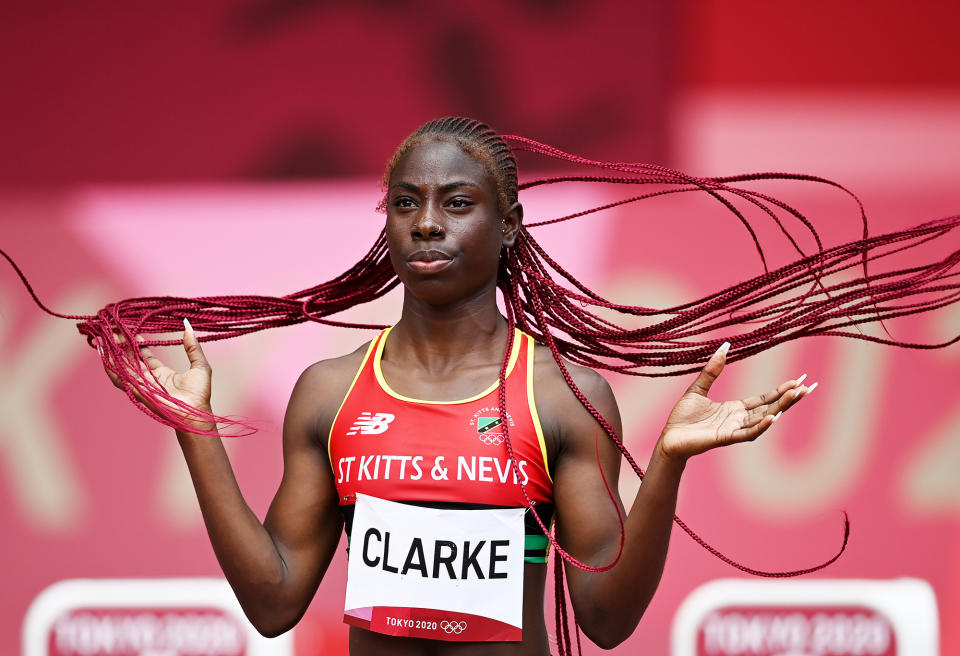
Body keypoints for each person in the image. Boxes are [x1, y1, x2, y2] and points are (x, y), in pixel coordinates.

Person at [99, 118, 823, 654]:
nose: (425, 224)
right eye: (405, 203)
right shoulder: (329, 393)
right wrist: (195, 427)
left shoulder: (560, 397)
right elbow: (273, 601)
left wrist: (667, 463)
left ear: (509, 224)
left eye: (456, 203)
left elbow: (605, 619)